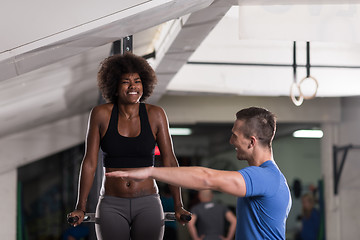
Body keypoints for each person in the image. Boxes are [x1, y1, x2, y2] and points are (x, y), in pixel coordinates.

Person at [106, 106, 292, 240]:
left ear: (251, 142)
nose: (230, 141)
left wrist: (149, 171)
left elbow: (207, 178)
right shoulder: (272, 178)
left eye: (235, 136)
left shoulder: (265, 178)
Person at [67, 52, 190, 240]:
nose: (133, 86)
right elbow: (90, 163)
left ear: (144, 85)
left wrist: (178, 205)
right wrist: (81, 207)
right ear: (115, 86)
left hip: (148, 201)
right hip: (111, 203)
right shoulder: (100, 114)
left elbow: (170, 161)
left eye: (137, 81)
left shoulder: (156, 114)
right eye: (126, 81)